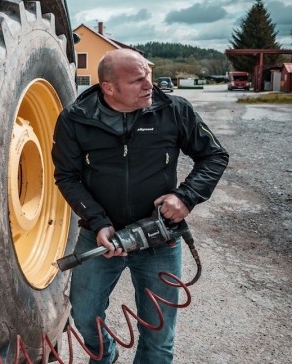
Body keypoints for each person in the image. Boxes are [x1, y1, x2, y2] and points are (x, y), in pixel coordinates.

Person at [52, 48, 229, 364]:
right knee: (85, 316)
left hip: (160, 238)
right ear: (110, 88)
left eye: (148, 75)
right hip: (100, 239)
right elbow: (67, 175)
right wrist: (97, 221)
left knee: (158, 339)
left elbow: (214, 155)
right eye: (137, 80)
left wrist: (186, 196)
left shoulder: (174, 110)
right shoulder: (74, 119)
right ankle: (105, 355)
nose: (150, 85)